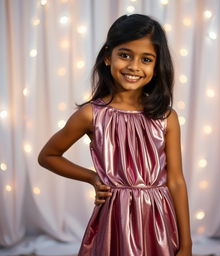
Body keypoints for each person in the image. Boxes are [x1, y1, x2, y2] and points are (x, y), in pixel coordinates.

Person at [38, 14, 192, 256]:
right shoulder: (91, 115)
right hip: (114, 220)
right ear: (108, 57)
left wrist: (187, 243)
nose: (134, 66)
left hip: (158, 221)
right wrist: (92, 178)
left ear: (157, 66)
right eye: (125, 55)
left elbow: (176, 181)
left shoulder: (166, 117)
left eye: (146, 59)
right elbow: (48, 155)